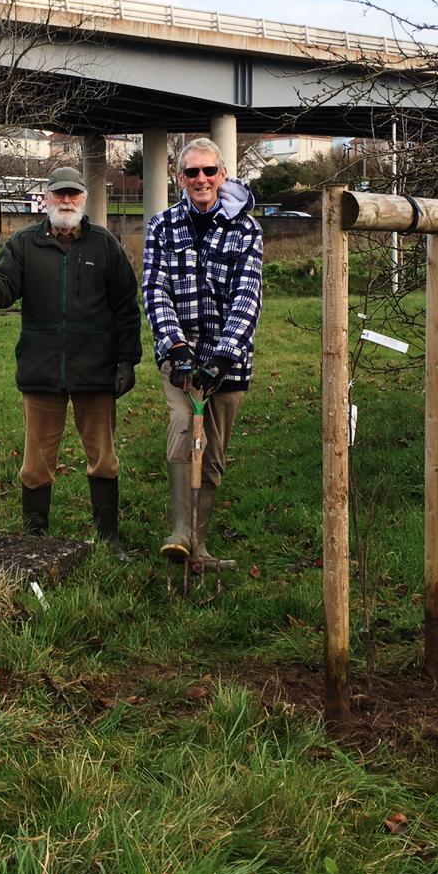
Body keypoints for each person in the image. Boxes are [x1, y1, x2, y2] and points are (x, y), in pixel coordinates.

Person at [0, 166, 142, 556]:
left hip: (96, 371)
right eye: (59, 194)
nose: (66, 201)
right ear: (46, 199)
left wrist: (127, 361)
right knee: (36, 462)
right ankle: (36, 538)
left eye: (73, 195)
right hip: (42, 370)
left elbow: (127, 307)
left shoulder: (105, 246)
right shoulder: (25, 244)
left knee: (103, 458)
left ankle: (108, 536)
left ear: (83, 200)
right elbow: (3, 287)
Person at [142, 136, 264, 563]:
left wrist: (223, 357)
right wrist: (175, 347)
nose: (201, 179)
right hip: (181, 357)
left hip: (227, 361)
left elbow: (247, 297)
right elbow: (155, 290)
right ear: (179, 178)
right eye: (192, 172)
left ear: (222, 175)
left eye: (209, 171)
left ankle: (200, 542)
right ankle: (180, 533)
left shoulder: (245, 229)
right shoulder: (163, 226)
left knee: (212, 451)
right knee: (181, 426)